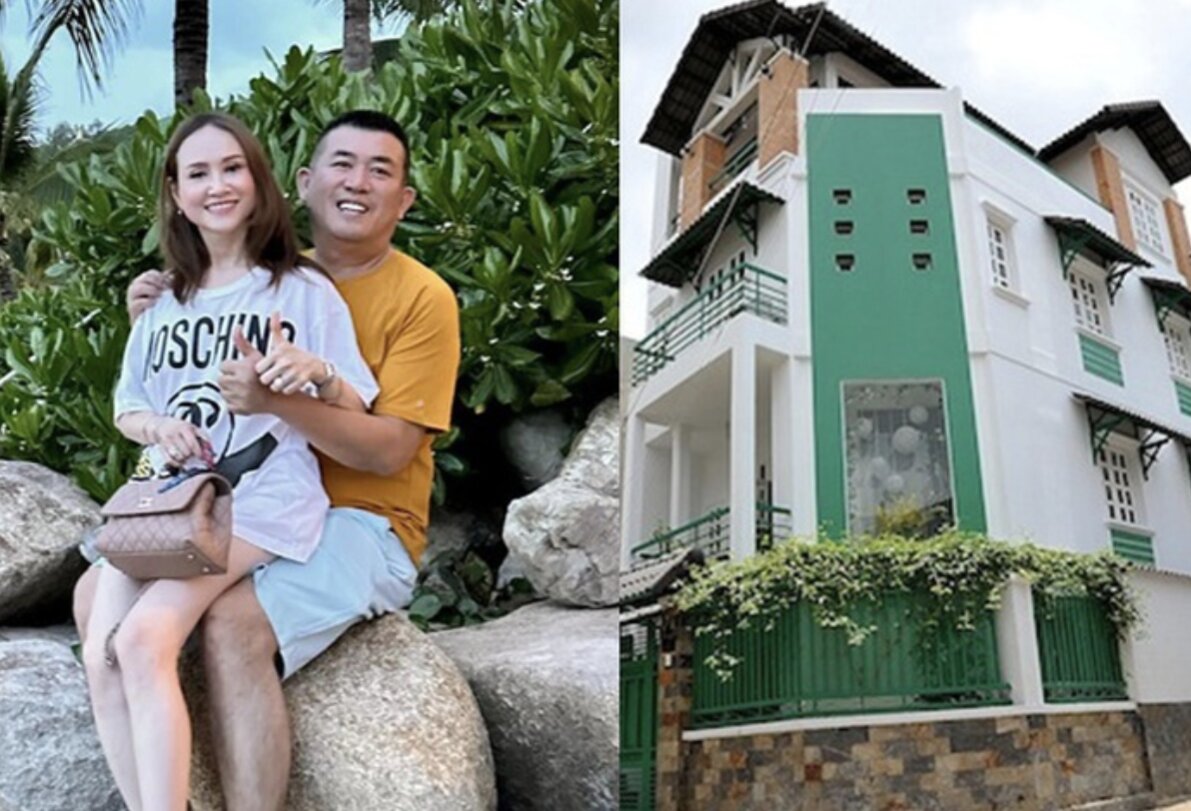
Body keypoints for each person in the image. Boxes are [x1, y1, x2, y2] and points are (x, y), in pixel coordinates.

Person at [74, 109, 461, 810]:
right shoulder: (249, 281)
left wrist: (292, 390)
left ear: (405, 199)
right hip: (218, 499)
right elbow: (169, 382)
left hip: (354, 517)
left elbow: (389, 450)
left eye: (380, 170)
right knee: (93, 601)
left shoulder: (407, 296)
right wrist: (151, 323)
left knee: (229, 623)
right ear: (303, 182)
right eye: (343, 164)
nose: (358, 182)